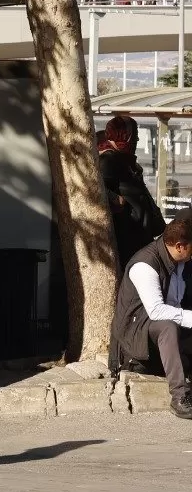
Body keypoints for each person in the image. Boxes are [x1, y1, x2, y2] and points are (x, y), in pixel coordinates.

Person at [112, 217, 192, 419]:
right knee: (168, 327)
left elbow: (175, 305)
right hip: (135, 337)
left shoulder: (178, 261)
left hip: (157, 332)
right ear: (180, 246)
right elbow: (156, 311)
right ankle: (179, 396)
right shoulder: (145, 264)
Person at [99, 115, 164, 272]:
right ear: (123, 135)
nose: (136, 141)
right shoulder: (108, 160)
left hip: (139, 238)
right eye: (134, 136)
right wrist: (116, 200)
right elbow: (96, 188)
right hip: (126, 240)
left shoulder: (126, 161)